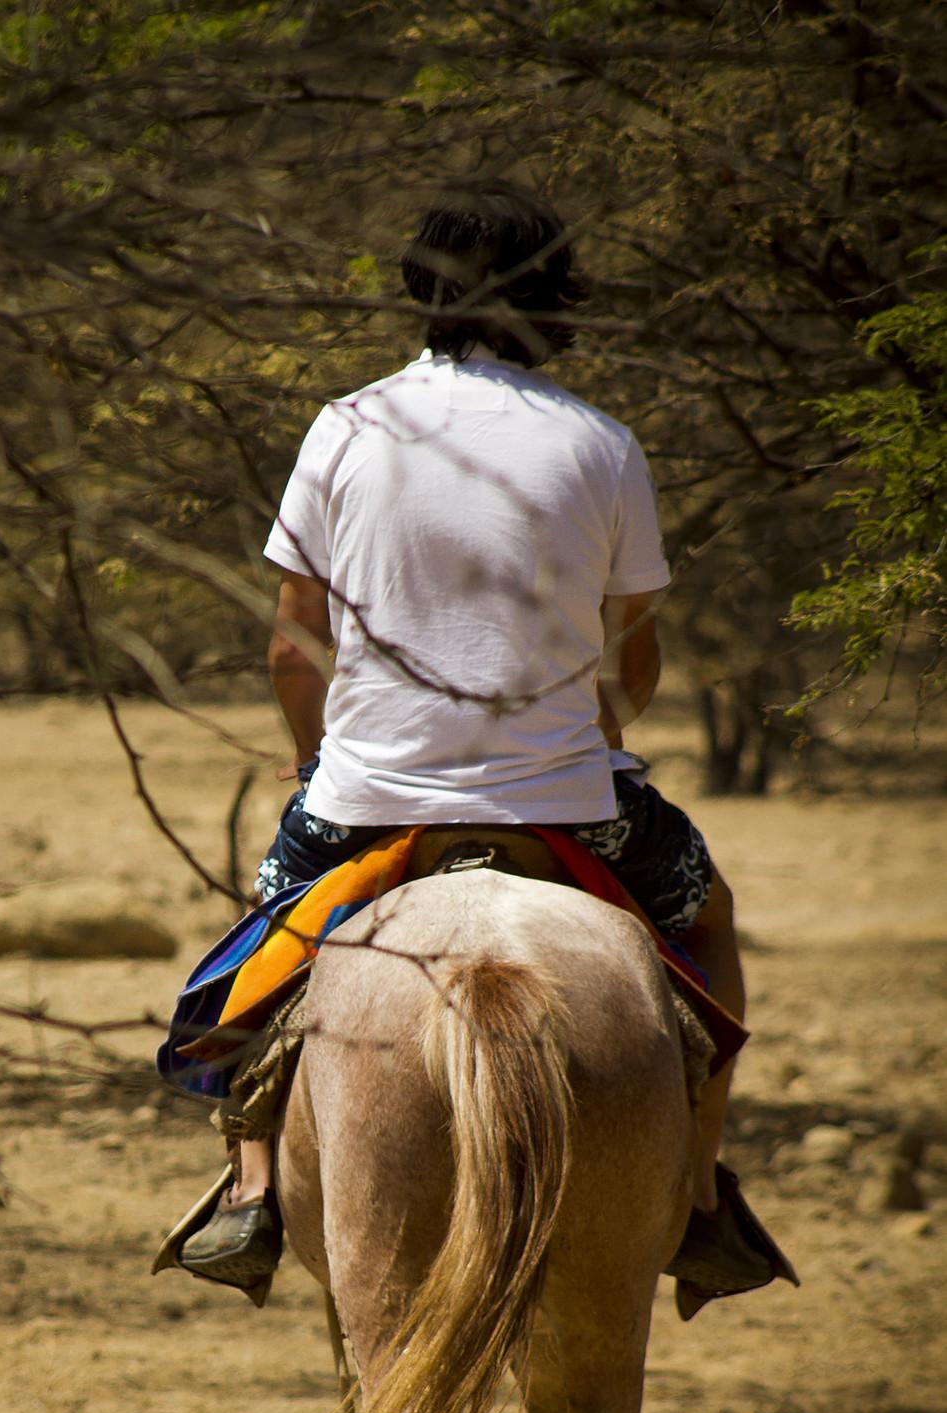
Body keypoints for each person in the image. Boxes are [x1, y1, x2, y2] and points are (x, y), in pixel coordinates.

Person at [175, 184, 793, 1310]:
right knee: (708, 916)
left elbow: (291, 645)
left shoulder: (346, 426)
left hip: (366, 801)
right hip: (570, 804)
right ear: (556, 298)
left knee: (259, 946)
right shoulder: (604, 444)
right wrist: (590, 739)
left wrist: (320, 758)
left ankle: (250, 1184)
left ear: (421, 287)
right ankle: (700, 1193)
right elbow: (632, 663)